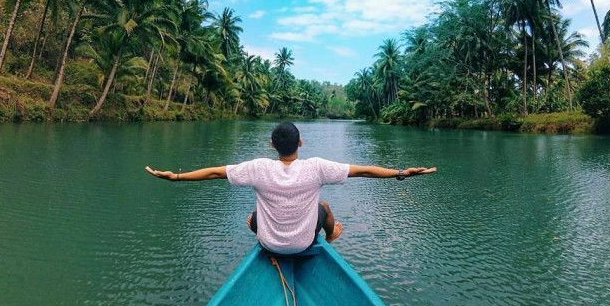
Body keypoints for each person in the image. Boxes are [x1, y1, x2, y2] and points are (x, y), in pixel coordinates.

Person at [145, 121, 437, 255]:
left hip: (268, 244)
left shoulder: (259, 168)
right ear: (300, 144)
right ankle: (331, 236)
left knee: (252, 217)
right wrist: (401, 172)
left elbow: (213, 172)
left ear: (272, 145)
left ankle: (272, 244)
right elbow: (364, 170)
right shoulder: (316, 167)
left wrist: (177, 177)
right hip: (302, 244)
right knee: (324, 207)